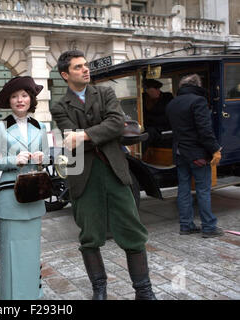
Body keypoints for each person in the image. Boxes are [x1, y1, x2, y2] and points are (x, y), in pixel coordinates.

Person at [50, 50, 156, 300]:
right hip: (83, 177)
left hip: (115, 171)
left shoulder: (106, 93)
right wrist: (97, 133)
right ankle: (99, 289)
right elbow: (70, 136)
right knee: (90, 235)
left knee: (132, 230)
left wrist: (84, 135)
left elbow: (116, 124)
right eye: (78, 67)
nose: (85, 69)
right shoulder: (58, 106)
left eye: (85, 65)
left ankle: (144, 290)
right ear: (66, 75)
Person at [0, 76, 48, 300]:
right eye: (14, 96)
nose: (20, 100)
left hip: (34, 196)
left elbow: (48, 158)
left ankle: (33, 294)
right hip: (10, 199)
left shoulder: (41, 127)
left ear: (31, 99)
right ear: (9, 101)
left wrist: (43, 158)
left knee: (32, 251)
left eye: (24, 95)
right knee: (11, 252)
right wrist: (14, 160)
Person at [166, 74, 224, 238]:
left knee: (183, 189)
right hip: (197, 153)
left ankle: (186, 225)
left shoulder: (172, 103)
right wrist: (215, 149)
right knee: (203, 190)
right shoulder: (198, 101)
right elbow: (205, 131)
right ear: (197, 85)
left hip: (179, 152)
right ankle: (208, 227)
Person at [142, 79, 173, 153]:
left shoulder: (167, 98)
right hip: (148, 130)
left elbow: (169, 117)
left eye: (159, 88)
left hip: (165, 130)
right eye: (156, 89)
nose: (159, 91)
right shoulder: (142, 99)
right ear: (147, 90)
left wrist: (151, 119)